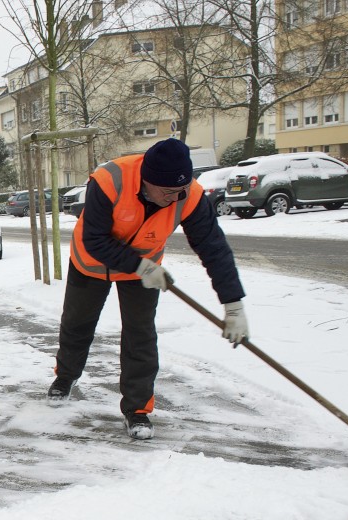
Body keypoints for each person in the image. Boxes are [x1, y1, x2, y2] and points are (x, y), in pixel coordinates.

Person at [49, 138, 249, 439]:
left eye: (180, 190)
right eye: (168, 192)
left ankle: (137, 409)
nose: (175, 198)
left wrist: (233, 304)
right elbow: (95, 239)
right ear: (147, 181)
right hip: (92, 263)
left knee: (140, 334)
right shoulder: (109, 180)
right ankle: (65, 378)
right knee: (78, 323)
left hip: (144, 268)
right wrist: (141, 266)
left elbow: (213, 248)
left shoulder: (188, 195)